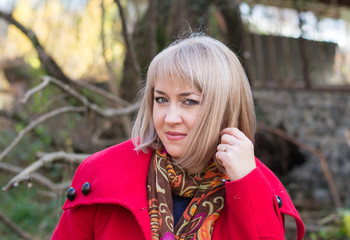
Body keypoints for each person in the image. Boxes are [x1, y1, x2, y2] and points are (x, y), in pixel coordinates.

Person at [52, 34, 305, 240]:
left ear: (224, 108)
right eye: (162, 99)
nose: (170, 117)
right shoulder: (102, 173)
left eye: (189, 101)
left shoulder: (254, 187)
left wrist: (247, 186)